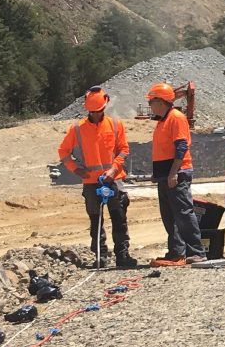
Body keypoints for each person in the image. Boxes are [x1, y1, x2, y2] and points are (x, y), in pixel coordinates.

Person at [56, 87, 135, 269]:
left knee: (119, 218)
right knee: (95, 221)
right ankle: (100, 256)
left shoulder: (115, 125)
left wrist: (114, 169)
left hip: (114, 180)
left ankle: (122, 255)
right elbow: (63, 152)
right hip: (92, 183)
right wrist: (76, 169)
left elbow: (123, 150)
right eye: (92, 112)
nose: (96, 115)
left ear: (104, 107)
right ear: (87, 109)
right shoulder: (77, 129)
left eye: (98, 111)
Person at [147, 82, 206, 262]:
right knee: (169, 216)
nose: (150, 105)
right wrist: (157, 173)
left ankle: (197, 252)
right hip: (166, 174)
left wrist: (173, 173)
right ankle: (176, 251)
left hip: (177, 173)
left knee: (183, 213)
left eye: (151, 101)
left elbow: (181, 147)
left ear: (162, 101)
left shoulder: (176, 117)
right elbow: (163, 150)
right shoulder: (162, 121)